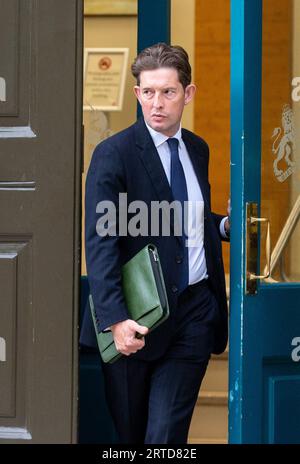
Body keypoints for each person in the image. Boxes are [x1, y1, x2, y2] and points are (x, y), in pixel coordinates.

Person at [80, 42, 230, 444]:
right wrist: (114, 320)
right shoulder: (114, 155)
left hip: (194, 313)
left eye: (168, 92)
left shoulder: (198, 149)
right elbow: (101, 241)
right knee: (131, 438)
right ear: (136, 94)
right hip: (135, 317)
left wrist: (224, 226)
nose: (157, 103)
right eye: (148, 92)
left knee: (164, 436)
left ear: (189, 93)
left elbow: (185, 218)